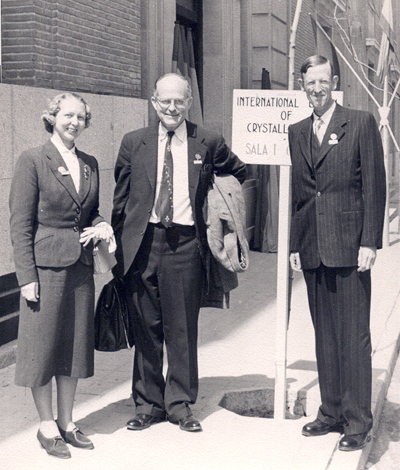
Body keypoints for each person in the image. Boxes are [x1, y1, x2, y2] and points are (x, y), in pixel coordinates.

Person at [111, 73, 246, 432]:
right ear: (154, 103)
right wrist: (116, 250)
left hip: (186, 245)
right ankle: (147, 404)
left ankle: (180, 403)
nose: (172, 107)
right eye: (165, 101)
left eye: (179, 101)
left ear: (189, 103)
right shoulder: (133, 142)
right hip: (142, 246)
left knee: (182, 328)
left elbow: (239, 172)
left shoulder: (208, 142)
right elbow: (121, 200)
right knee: (146, 328)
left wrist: (222, 210)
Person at [288, 55, 386, 451]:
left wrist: (369, 242)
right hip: (313, 247)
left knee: (353, 336)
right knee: (324, 336)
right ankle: (330, 412)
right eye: (310, 82)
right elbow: (300, 195)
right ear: (302, 85)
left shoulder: (359, 123)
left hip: (349, 246)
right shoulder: (296, 131)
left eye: (323, 81)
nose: (317, 89)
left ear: (334, 82)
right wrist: (295, 245)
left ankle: (358, 421)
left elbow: (373, 189)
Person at [9, 92, 113, 459]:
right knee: (43, 348)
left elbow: (92, 212)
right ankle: (45, 424)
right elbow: (20, 223)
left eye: (80, 117)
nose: (74, 122)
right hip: (46, 269)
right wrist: (26, 276)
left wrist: (102, 228)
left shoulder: (90, 163)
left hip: (81, 269)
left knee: (72, 347)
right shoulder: (33, 160)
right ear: (51, 117)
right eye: (67, 115)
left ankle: (68, 422)